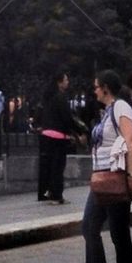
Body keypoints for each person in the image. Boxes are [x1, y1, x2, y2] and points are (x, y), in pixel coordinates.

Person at [79, 70, 132, 263]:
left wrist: (131, 175)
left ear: (105, 88)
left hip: (116, 179)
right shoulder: (107, 112)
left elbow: (131, 140)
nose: (94, 91)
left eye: (96, 87)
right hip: (102, 180)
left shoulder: (120, 107)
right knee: (89, 227)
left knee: (119, 235)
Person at [37, 70, 76, 204]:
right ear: (60, 82)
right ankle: (56, 195)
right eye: (66, 80)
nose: (67, 82)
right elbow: (66, 118)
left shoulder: (48, 97)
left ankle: (44, 193)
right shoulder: (61, 97)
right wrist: (73, 133)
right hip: (58, 136)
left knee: (47, 166)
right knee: (58, 167)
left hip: (46, 134)